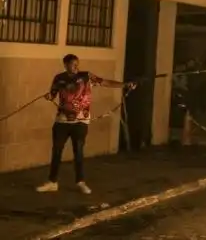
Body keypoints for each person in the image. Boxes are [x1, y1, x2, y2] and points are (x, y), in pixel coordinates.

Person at [36, 54, 136, 194]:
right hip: (62, 121)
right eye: (72, 64)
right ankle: (52, 182)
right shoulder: (59, 78)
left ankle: (80, 182)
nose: (76, 66)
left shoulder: (86, 77)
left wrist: (124, 85)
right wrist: (49, 97)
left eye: (77, 63)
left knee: (78, 151)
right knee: (57, 151)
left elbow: (105, 82)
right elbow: (52, 94)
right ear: (65, 65)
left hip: (81, 121)